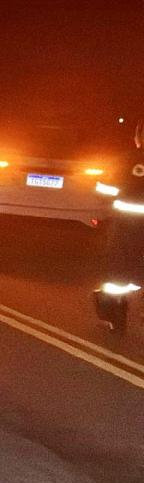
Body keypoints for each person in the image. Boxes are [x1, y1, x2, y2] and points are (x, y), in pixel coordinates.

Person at [94, 116, 144, 331]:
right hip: (127, 225)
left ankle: (116, 315)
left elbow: (103, 189)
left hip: (126, 226)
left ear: (138, 138)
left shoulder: (124, 160)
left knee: (117, 272)